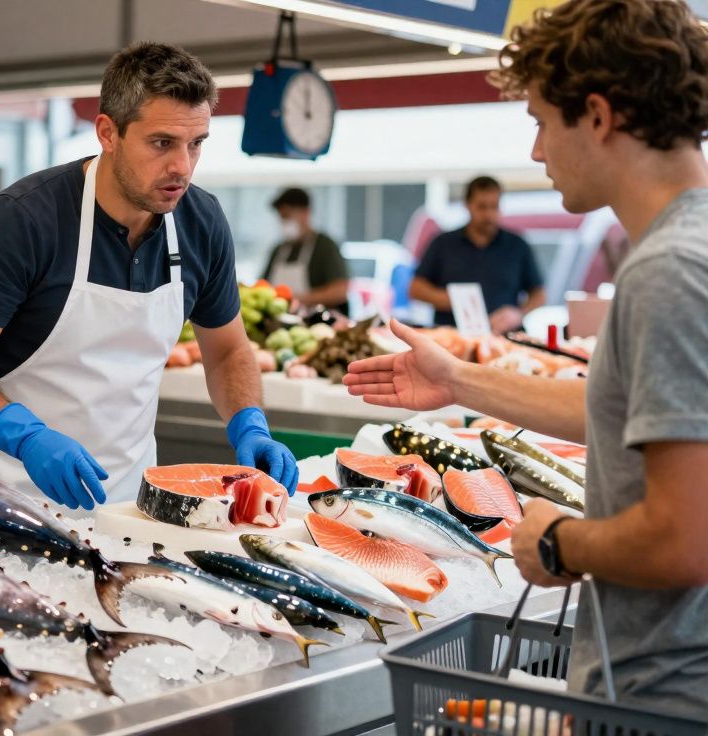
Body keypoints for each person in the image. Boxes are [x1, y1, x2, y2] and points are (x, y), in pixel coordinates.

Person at [345, 0, 708, 719]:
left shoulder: (668, 270)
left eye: (542, 122)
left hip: (665, 697)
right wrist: (458, 380)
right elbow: (624, 410)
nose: (537, 153)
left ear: (598, 117)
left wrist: (557, 541)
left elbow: (684, 538)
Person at [0, 42, 298, 511]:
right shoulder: (23, 220)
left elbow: (227, 352)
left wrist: (249, 423)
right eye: (162, 143)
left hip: (129, 501)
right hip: (5, 492)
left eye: (195, 143)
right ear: (107, 132)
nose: (182, 166)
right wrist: (27, 438)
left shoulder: (201, 222)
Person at [409, 176, 546, 333]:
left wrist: (518, 314)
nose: (488, 214)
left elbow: (539, 293)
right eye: (482, 207)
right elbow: (415, 288)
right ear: (467, 205)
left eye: (494, 206)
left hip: (504, 337)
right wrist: (449, 300)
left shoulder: (517, 245)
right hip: (453, 337)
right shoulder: (443, 243)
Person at [259, 187, 350, 315]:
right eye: (281, 217)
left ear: (306, 213)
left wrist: (293, 299)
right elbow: (263, 287)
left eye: (287, 216)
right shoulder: (278, 250)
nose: (283, 222)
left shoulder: (325, 246)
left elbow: (340, 291)